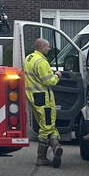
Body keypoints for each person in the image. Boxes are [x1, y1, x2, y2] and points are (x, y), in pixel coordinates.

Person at [24, 37, 62, 168]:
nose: (49, 48)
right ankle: (42, 157)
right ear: (42, 47)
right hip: (44, 98)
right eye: (48, 47)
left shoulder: (29, 58)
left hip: (34, 96)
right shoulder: (42, 62)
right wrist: (57, 75)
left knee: (45, 123)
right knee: (47, 125)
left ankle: (56, 147)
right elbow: (49, 81)